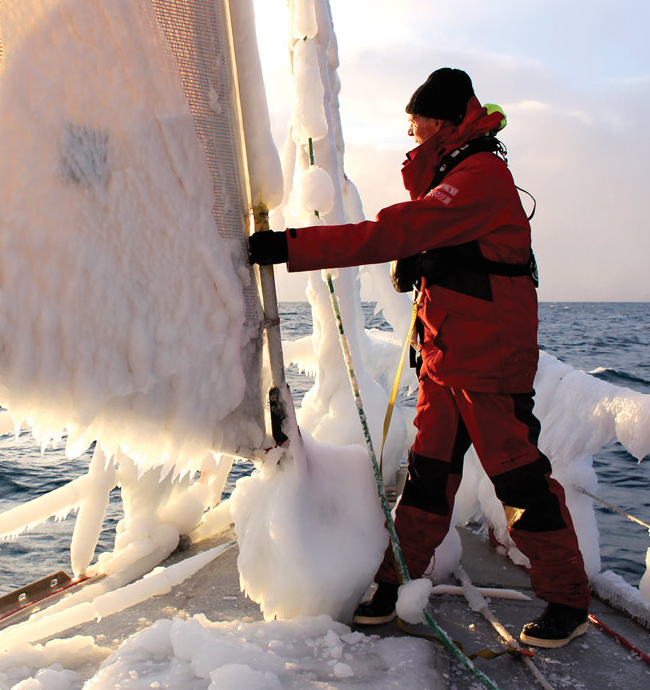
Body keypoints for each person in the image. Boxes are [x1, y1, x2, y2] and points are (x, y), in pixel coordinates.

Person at [248, 68, 590, 648]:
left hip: (488, 363)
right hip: (446, 360)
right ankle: (396, 582)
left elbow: (403, 228)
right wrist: (430, 264)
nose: (411, 135)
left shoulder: (479, 174)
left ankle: (568, 599)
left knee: (520, 483)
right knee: (427, 481)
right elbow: (441, 240)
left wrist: (290, 246)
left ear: (444, 121)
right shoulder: (457, 173)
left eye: (417, 124)